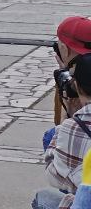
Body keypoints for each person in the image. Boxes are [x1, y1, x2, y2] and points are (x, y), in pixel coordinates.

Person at [39, 53, 91, 209]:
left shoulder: (74, 127)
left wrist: (68, 118)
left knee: (42, 197)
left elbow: (54, 177)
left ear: (77, 87)